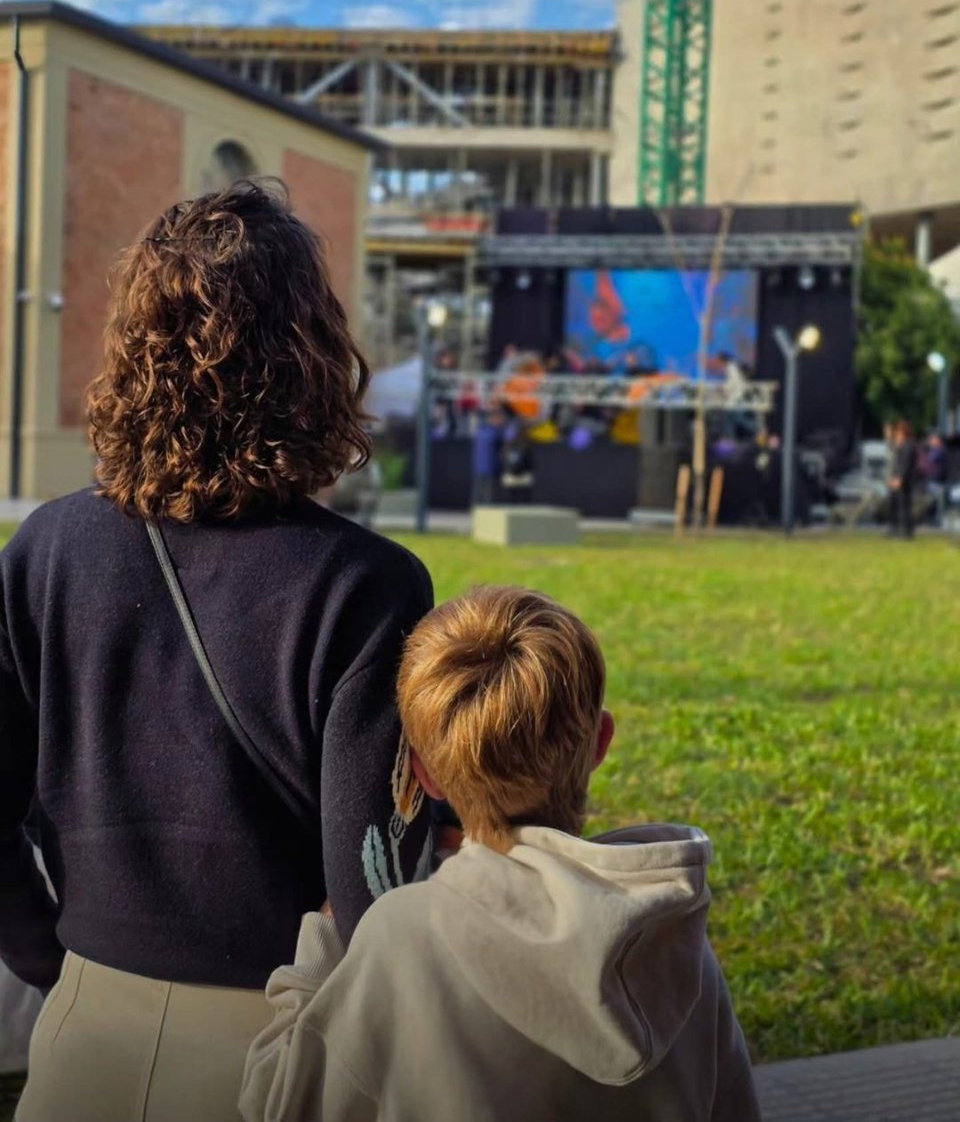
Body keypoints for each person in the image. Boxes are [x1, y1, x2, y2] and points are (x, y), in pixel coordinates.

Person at [2, 180, 434, 1122]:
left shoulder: (45, 550)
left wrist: (51, 961)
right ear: (311, 353)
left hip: (81, 1026)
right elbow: (375, 894)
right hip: (274, 1045)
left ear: (131, 348)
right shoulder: (368, 585)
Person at [241, 586, 760, 1122]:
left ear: (424, 776)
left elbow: (279, 1105)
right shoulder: (676, 947)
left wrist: (320, 945)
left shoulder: (403, 936)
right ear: (601, 743)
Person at [888, 419, 919, 537]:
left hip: (904, 479)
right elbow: (896, 460)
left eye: (898, 432)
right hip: (898, 477)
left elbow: (905, 464)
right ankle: (895, 528)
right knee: (896, 503)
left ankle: (907, 530)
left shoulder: (908, 446)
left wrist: (899, 478)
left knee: (904, 504)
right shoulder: (902, 445)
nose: (896, 434)